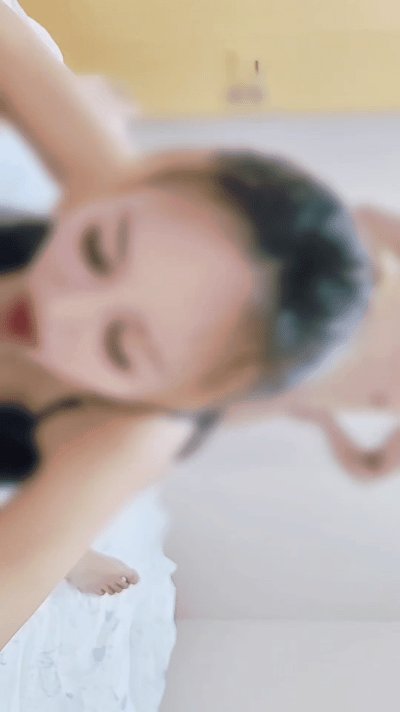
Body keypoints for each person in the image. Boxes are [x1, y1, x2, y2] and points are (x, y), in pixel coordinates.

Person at [0, 0, 372, 651]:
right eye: (98, 251)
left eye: (119, 346)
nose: (59, 311)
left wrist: (57, 524)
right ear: (142, 180)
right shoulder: (130, 192)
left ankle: (67, 547)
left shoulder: (123, 435)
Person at [225, 205, 400, 481]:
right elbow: (366, 219)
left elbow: (370, 469)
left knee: (171, 417)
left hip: (267, 390)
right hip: (266, 309)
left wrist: (323, 419)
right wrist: (369, 272)